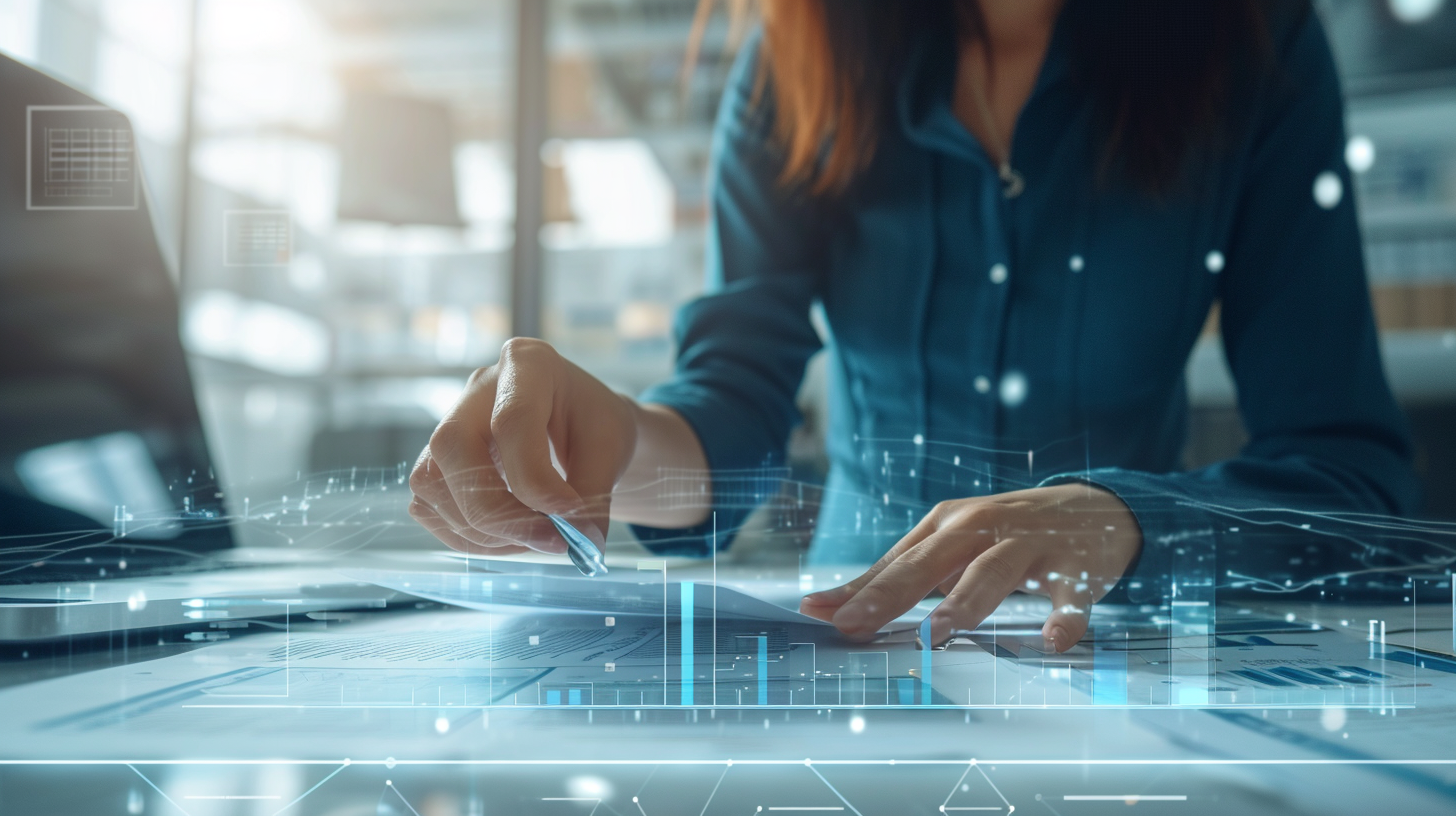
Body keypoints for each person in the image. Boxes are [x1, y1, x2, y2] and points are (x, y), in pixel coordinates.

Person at [408, 0, 1419, 651]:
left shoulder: (1254, 43)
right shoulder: (793, 58)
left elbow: (1350, 480)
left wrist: (1124, 518)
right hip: (854, 641)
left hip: (1115, 651)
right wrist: (617, 444)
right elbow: (735, 406)